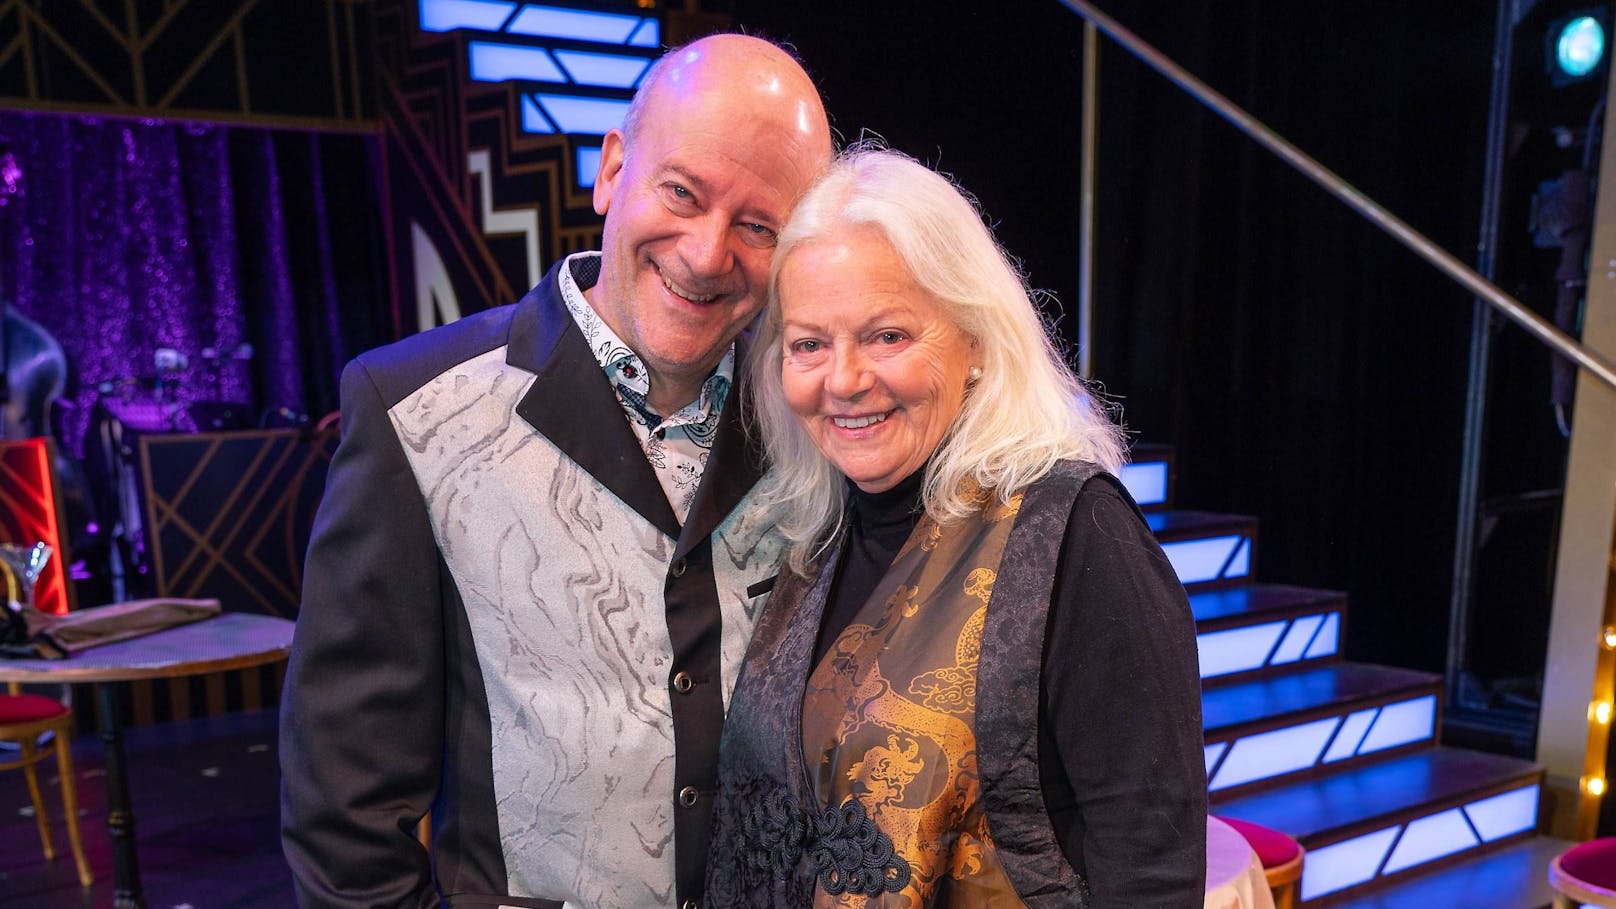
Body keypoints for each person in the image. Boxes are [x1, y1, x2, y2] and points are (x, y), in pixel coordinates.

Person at [279, 35, 833, 908]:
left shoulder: (816, 416)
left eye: (758, 226)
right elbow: (346, 814)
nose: (705, 252)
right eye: (681, 193)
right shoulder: (412, 407)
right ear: (613, 171)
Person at [706, 147, 1207, 907]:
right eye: (810, 343)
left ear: (973, 339)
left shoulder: (1076, 534)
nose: (843, 379)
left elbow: (1152, 869)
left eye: (887, 336)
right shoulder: (813, 534)